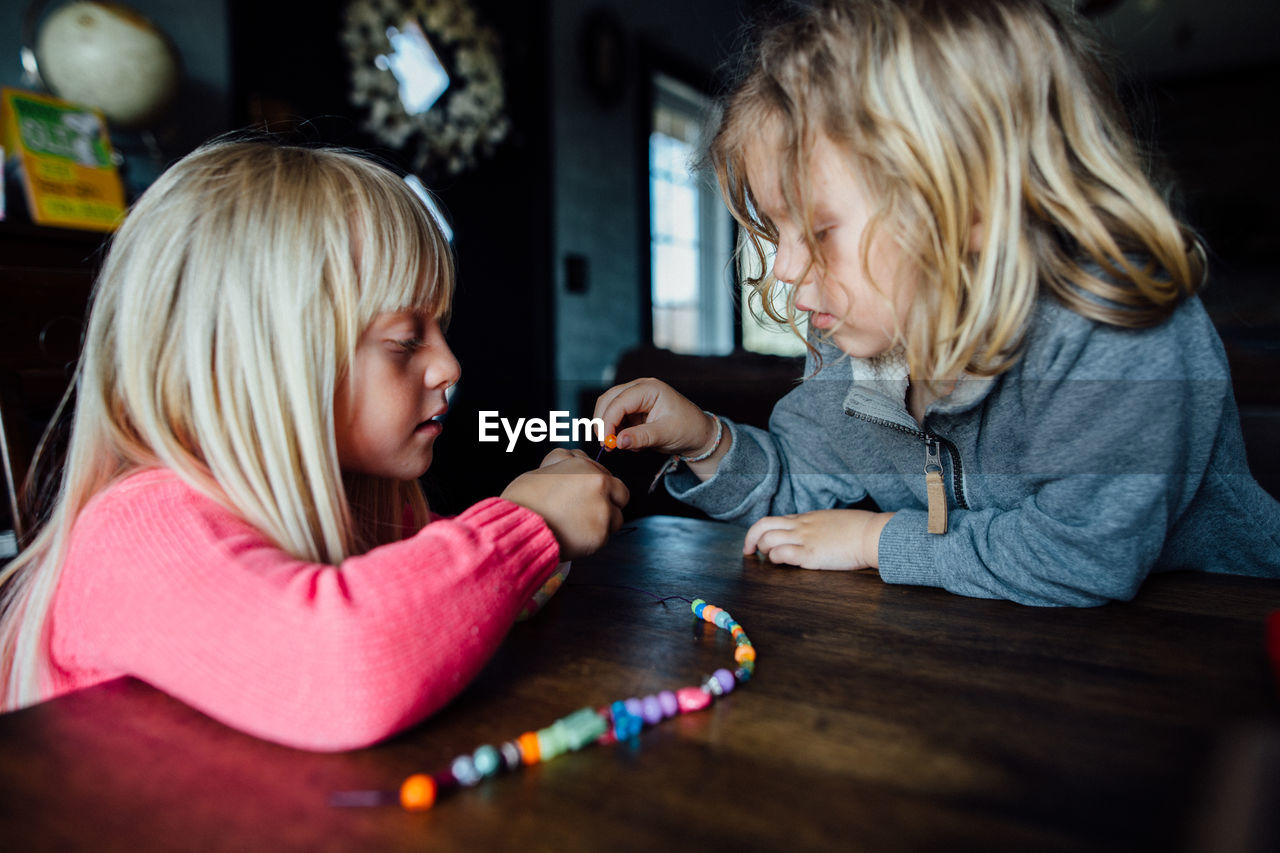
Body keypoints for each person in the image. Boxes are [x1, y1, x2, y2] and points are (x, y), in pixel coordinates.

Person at [595, 0, 1280, 606]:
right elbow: (797, 490)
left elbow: (1081, 556)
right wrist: (704, 438)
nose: (786, 269)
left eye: (822, 229)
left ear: (978, 203)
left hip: (1221, 640)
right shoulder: (859, 346)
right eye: (778, 231)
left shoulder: (1114, 328)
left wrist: (875, 540)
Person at [0, 139, 628, 750]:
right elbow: (342, 665)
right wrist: (529, 525)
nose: (449, 365)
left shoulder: (359, 505)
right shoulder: (137, 530)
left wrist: (539, 534)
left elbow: (442, 603)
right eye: (406, 340)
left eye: (441, 329)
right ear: (256, 364)